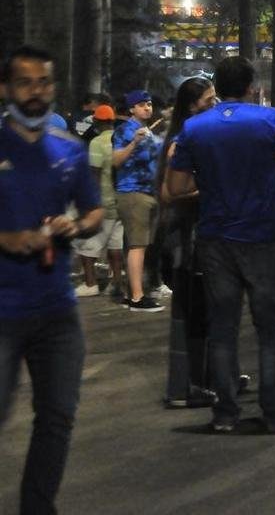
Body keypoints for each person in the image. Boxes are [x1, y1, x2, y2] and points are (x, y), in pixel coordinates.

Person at [167, 56, 275, 433]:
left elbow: (176, 188)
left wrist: (211, 185)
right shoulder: (270, 120)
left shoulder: (195, 128)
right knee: (269, 329)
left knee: (223, 328)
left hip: (215, 238)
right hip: (261, 236)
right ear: (251, 86)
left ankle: (226, 413)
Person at [0, 46, 104, 514]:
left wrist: (76, 227)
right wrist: (6, 238)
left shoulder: (71, 149)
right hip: (2, 311)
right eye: (26, 83)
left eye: (44, 82)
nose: (37, 91)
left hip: (58, 311)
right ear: (6, 89)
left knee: (57, 419)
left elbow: (95, 211)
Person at [157, 77, 220, 409]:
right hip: (186, 237)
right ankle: (191, 383)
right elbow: (169, 193)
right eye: (208, 100)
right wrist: (211, 188)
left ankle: (206, 376)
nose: (214, 104)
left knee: (202, 312)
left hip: (195, 234)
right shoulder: (181, 142)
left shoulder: (191, 136)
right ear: (192, 105)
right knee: (193, 313)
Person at [114, 88, 164, 311]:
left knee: (139, 244)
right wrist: (133, 143)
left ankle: (132, 291)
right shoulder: (126, 130)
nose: (147, 107)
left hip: (149, 192)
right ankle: (136, 296)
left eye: (150, 104)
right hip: (132, 191)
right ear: (132, 108)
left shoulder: (150, 132)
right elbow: (115, 161)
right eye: (142, 104)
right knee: (137, 245)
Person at [71, 104, 124, 299]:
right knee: (115, 246)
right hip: (120, 199)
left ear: (95, 121)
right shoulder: (119, 140)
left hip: (103, 200)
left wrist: (89, 203)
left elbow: (94, 174)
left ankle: (90, 283)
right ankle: (116, 283)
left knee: (88, 245)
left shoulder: (96, 142)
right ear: (112, 121)